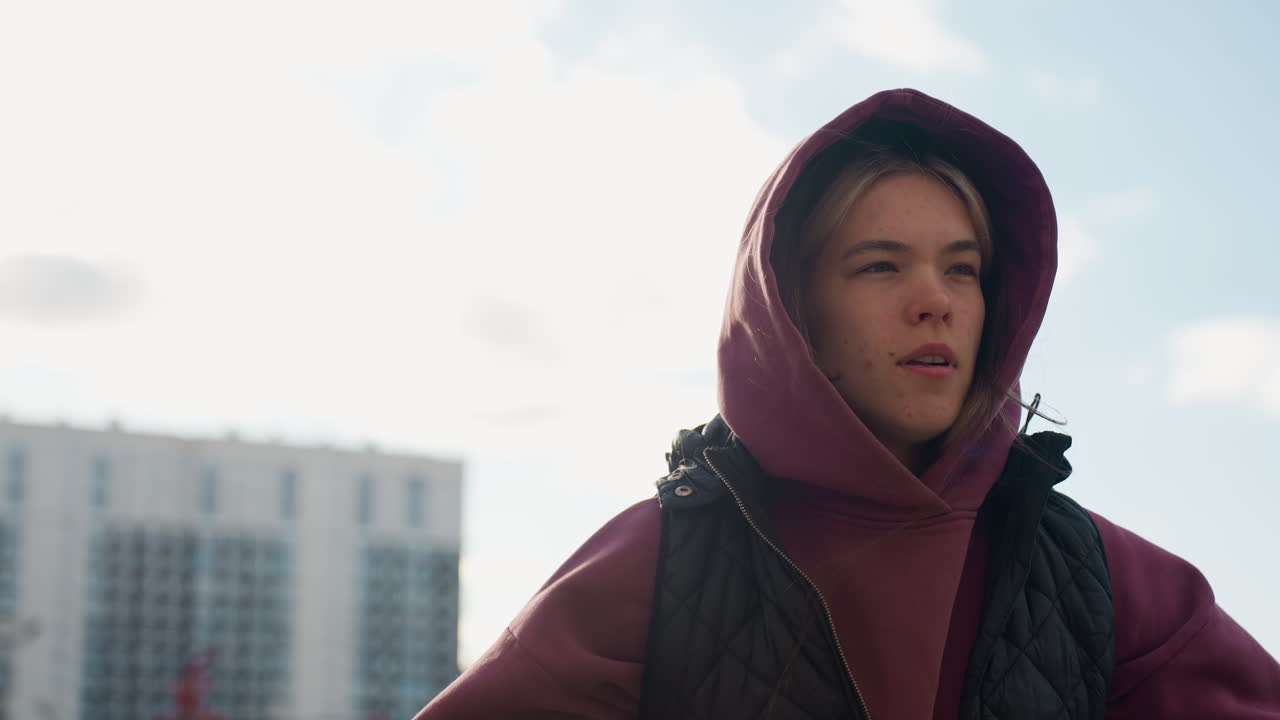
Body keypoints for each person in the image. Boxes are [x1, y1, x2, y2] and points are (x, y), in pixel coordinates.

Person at [415, 88, 1280, 718]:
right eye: (881, 265)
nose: (934, 299)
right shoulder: (657, 563)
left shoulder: (1104, 579)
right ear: (794, 313)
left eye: (963, 269)